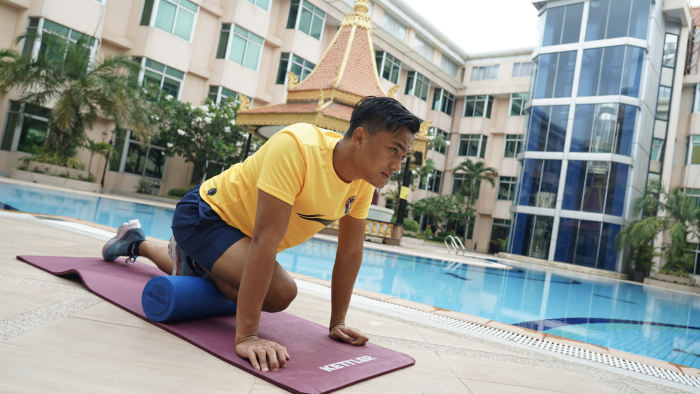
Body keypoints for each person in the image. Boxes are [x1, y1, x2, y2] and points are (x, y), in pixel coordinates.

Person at [101, 96, 419, 372]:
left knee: (270, 292)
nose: (397, 164)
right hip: (205, 216)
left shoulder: (363, 183)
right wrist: (247, 336)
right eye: (394, 150)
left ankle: (139, 243)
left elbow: (349, 253)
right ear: (361, 137)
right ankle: (189, 255)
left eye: (402, 156)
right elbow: (266, 241)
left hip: (242, 238)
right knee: (280, 292)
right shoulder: (297, 147)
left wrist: (337, 322)